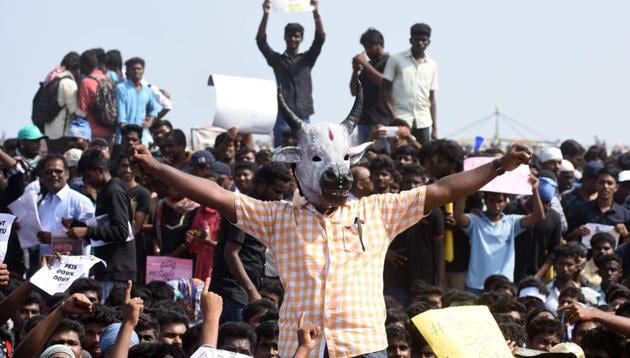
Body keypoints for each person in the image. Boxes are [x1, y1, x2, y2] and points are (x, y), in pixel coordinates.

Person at [133, 130, 533, 357]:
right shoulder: (279, 218)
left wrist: (499, 166)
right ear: (299, 167)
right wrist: (156, 167)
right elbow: (216, 196)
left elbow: (442, 189)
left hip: (363, 344)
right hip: (301, 344)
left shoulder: (378, 211)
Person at [210, 162, 293, 323]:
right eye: (276, 191)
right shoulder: (244, 209)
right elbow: (231, 254)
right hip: (233, 293)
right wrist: (251, 291)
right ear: (261, 184)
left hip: (244, 291)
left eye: (282, 194)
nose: (279, 198)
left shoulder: (261, 210)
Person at [454, 176, 544, 294]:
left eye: (500, 201)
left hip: (503, 287)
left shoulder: (512, 222)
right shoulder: (475, 221)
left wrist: (535, 190)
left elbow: (538, 216)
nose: (496, 205)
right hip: (477, 285)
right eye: (492, 200)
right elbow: (458, 216)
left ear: (505, 203)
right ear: (485, 201)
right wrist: (464, 189)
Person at [68, 148, 136, 299]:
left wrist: (87, 232)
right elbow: (106, 224)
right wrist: (78, 225)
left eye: (88, 176)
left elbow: (121, 231)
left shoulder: (113, 191)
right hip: (109, 270)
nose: (87, 181)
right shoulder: (106, 190)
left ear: (99, 170)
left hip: (116, 272)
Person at [256, 0, 325, 147]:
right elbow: (261, 41)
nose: (293, 39)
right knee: (281, 155)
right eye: (290, 36)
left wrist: (316, 12)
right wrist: (265, 14)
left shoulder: (307, 59)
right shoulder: (277, 60)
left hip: (303, 117)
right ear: (285, 37)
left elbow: (320, 39)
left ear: (301, 39)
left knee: (305, 156)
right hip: (283, 117)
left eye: (296, 36)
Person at [34, 154, 95, 270]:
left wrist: (53, 240)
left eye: (58, 171)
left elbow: (90, 237)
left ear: (67, 174)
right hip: (46, 271)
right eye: (48, 172)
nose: (53, 175)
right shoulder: (42, 203)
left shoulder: (81, 202)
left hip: (72, 272)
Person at [382, 23, 438, 144]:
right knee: (400, 154)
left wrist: (434, 128)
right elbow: (384, 91)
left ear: (429, 42)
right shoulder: (396, 60)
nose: (420, 43)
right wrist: (393, 119)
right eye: (417, 39)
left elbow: (432, 99)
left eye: (424, 40)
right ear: (411, 40)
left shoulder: (432, 65)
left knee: (423, 156)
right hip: (401, 117)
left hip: (423, 121)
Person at [567, 166, 630, 242]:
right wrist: (576, 233)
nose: (605, 186)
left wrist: (625, 234)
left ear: (616, 187)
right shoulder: (580, 210)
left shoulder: (625, 215)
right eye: (601, 182)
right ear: (595, 185)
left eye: (610, 183)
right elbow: (566, 238)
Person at [350, 28, 390, 145]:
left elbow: (384, 83)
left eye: (370, 46)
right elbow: (353, 91)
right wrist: (355, 71)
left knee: (383, 155)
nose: (367, 51)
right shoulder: (368, 66)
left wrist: (364, 64)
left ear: (381, 44)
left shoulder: (389, 62)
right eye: (365, 47)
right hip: (363, 121)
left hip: (381, 120)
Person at [43, 52, 80, 154]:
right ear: (77, 68)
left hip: (48, 131)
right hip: (62, 134)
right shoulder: (69, 83)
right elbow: (74, 110)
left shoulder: (52, 79)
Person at [115, 57, 158, 146]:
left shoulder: (147, 91)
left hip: (142, 137)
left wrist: (149, 122)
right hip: (124, 137)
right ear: (129, 71)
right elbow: (121, 114)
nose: (136, 71)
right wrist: (125, 130)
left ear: (143, 71)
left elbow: (154, 109)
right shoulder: (122, 88)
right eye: (134, 69)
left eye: (139, 69)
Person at [77, 50, 114, 141]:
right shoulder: (108, 80)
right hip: (110, 129)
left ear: (85, 65)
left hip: (93, 131)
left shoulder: (86, 82)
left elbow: (82, 110)